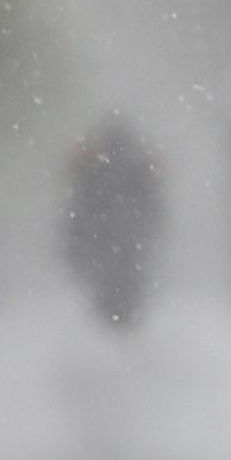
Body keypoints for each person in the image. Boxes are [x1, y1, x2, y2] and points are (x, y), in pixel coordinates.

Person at [62, 116, 164, 329]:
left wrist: (76, 245)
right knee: (125, 291)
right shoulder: (138, 166)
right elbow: (153, 207)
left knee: (109, 292)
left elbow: (78, 208)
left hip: (104, 242)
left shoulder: (92, 166)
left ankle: (110, 332)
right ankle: (120, 330)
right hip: (126, 244)